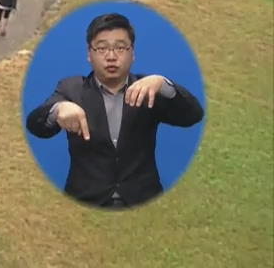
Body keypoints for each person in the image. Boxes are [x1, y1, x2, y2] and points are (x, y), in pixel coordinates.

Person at [24, 13, 204, 209]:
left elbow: (192, 115)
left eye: (120, 48)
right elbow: (37, 126)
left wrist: (164, 85)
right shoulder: (71, 88)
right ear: (89, 54)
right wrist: (57, 110)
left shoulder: (148, 89)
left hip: (143, 201)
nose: (111, 56)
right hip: (85, 201)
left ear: (132, 53)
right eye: (101, 48)